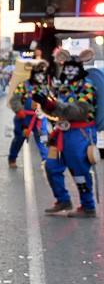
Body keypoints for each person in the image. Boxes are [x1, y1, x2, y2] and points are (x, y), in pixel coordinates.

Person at [34, 49, 97, 218]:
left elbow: (78, 112)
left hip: (80, 134)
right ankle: (63, 199)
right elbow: (57, 113)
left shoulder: (87, 87)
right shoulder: (64, 88)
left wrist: (52, 105)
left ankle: (88, 205)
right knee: (51, 166)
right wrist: (45, 104)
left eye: (73, 68)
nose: (69, 71)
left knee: (80, 171)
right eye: (67, 67)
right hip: (62, 133)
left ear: (80, 69)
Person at [7, 59, 50, 169]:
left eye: (42, 74)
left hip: (40, 118)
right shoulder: (23, 86)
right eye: (38, 74)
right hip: (24, 118)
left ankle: (46, 160)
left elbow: (49, 101)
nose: (41, 77)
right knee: (19, 139)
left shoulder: (45, 87)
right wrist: (19, 110)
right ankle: (12, 157)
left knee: (43, 137)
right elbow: (14, 100)